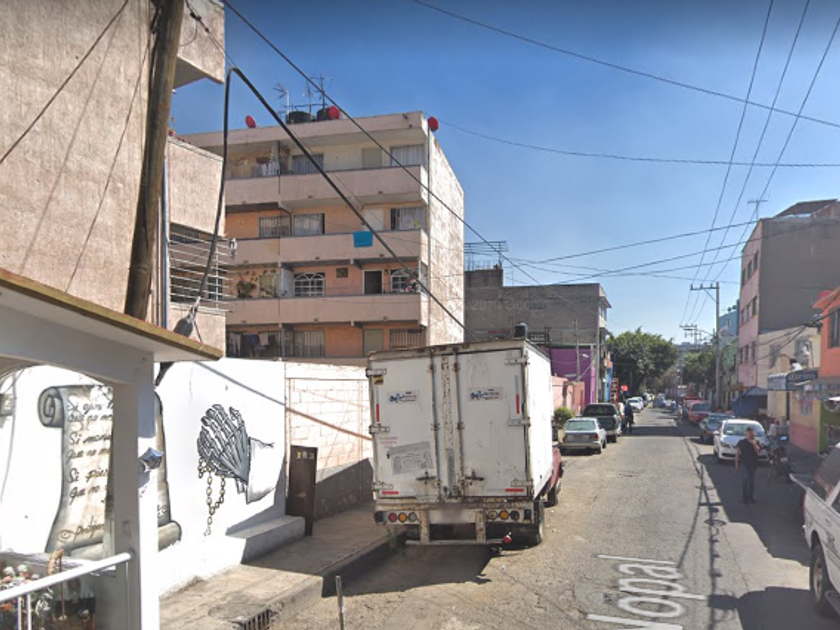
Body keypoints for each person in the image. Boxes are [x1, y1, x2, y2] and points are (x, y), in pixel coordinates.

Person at [735, 427, 761, 504]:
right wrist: (736, 463)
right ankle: (744, 498)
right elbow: (737, 453)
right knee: (745, 480)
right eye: (749, 433)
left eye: (752, 433)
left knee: (751, 481)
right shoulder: (742, 442)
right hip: (744, 463)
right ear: (746, 434)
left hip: (753, 464)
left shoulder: (756, 441)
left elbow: (758, 452)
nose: (750, 435)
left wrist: (754, 444)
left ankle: (751, 497)